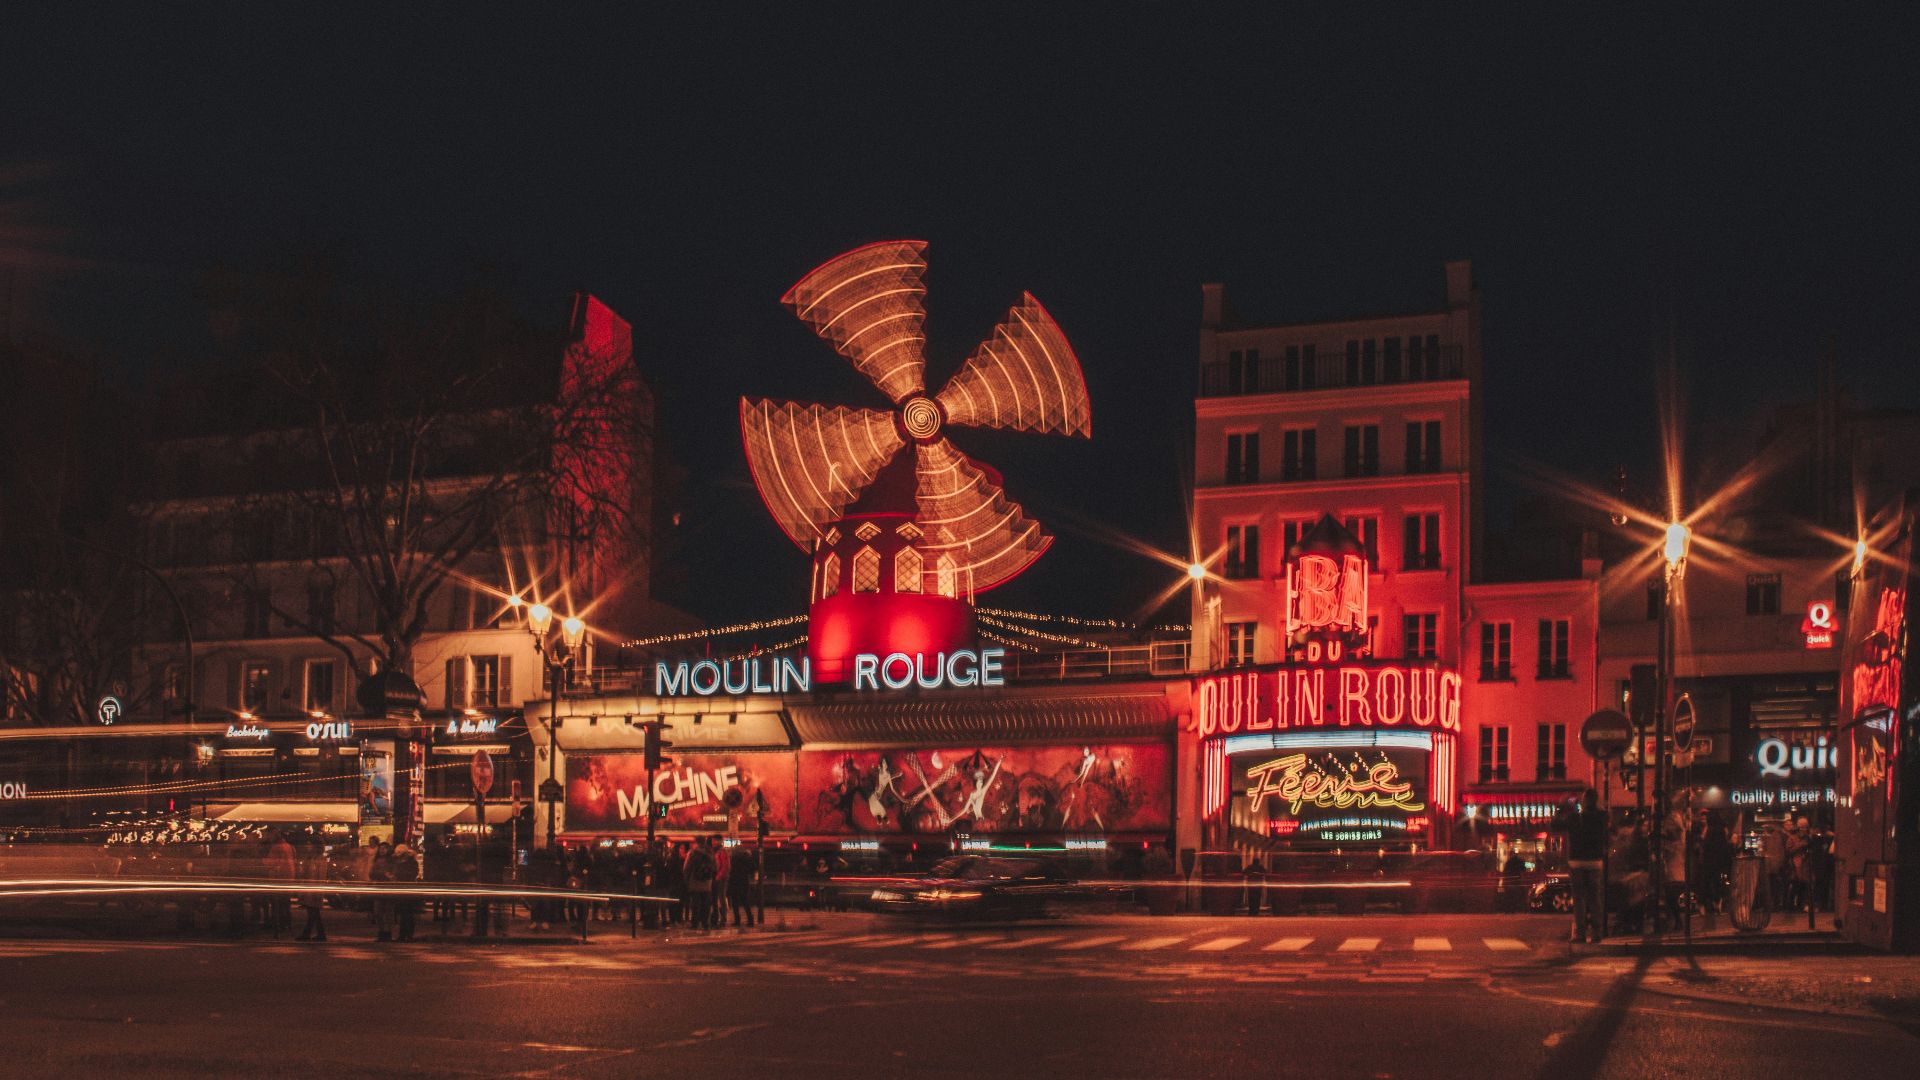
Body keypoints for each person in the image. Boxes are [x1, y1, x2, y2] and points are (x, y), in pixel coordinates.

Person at [1555, 789, 1608, 943]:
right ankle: (1597, 933)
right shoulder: (1601, 817)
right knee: (1595, 897)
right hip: (1595, 861)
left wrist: (1561, 806)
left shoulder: (1574, 818)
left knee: (1579, 898)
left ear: (1583, 802)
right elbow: (1605, 816)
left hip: (1576, 861)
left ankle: (1581, 933)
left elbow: (1555, 824)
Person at [265, 830, 297, 936]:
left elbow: (271, 863)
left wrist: (262, 861)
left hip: (278, 879)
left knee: (276, 905)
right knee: (285, 904)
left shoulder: (276, 848)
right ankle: (287, 924)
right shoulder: (290, 847)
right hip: (289, 879)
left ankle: (277, 926)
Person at [296, 843, 329, 943]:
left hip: (314, 889)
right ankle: (318, 934)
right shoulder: (310, 858)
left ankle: (309, 933)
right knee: (313, 912)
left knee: (313, 912)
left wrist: (318, 891)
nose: (308, 846)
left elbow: (321, 876)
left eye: (311, 844)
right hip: (309, 888)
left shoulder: (320, 859)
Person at [684, 838, 717, 930]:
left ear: (696, 842)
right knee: (706, 904)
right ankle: (705, 923)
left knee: (695, 904)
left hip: (695, 881)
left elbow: (686, 867)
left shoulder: (692, 853)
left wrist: (686, 879)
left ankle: (695, 923)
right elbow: (715, 867)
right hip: (707, 883)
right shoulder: (710, 853)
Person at [392, 844, 420, 942]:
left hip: (407, 889)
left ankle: (407, 934)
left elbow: (412, 874)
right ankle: (404, 934)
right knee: (404, 913)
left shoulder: (410, 862)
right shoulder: (401, 862)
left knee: (407, 913)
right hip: (402, 889)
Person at [370, 841, 396, 942]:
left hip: (388, 888)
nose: (382, 850)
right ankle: (382, 932)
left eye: (384, 848)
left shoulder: (391, 861)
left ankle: (388, 933)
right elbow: (371, 873)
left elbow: (393, 873)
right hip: (379, 888)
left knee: (388, 912)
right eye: (381, 848)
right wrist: (383, 874)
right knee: (378, 912)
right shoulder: (376, 861)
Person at [728, 844, 758, 927]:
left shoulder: (733, 858)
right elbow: (753, 868)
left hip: (734, 880)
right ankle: (750, 920)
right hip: (744, 880)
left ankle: (737, 920)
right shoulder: (747, 857)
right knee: (745, 901)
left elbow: (730, 869)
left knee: (735, 902)